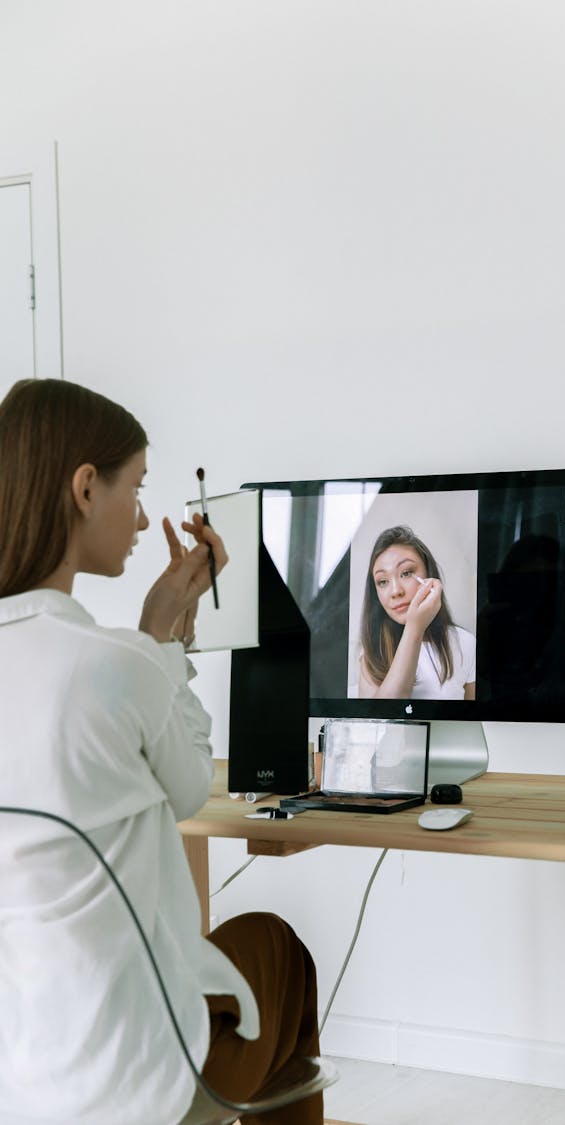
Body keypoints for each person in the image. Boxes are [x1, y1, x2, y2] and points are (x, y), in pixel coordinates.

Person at [0, 379, 322, 1125]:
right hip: (139, 1083)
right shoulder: (111, 663)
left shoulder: (104, 660)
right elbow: (188, 787)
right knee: (280, 951)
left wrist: (150, 637)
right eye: (136, 487)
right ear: (85, 487)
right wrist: (162, 638)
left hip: (22, 1084)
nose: (145, 517)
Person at [358, 525, 475, 701]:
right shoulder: (373, 649)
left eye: (406, 573)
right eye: (383, 581)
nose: (395, 591)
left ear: (429, 575)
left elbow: (470, 720)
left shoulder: (465, 642)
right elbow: (381, 716)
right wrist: (415, 627)